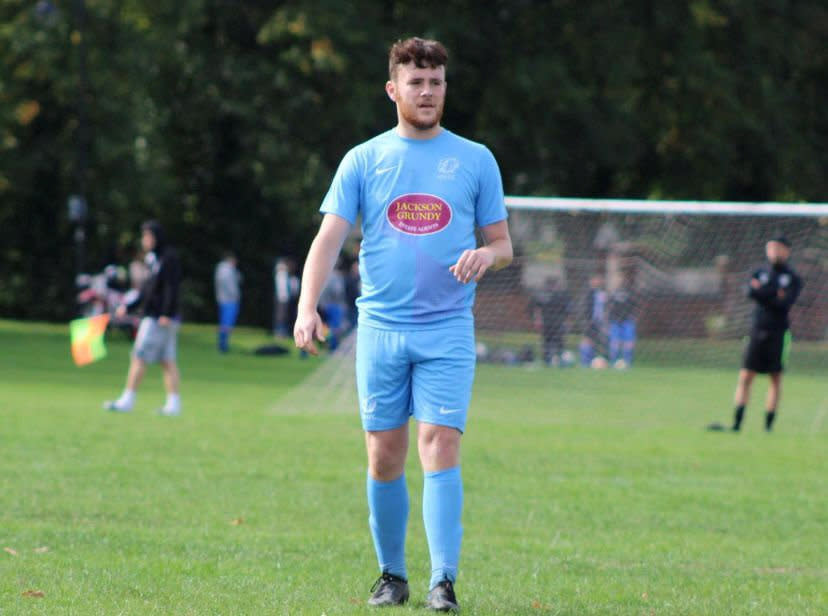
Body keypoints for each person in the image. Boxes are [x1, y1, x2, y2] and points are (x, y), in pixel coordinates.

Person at [293, 37, 513, 611]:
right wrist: (305, 307)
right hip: (381, 332)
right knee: (384, 455)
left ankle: (444, 580)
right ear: (393, 89)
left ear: (445, 88)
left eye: (436, 82)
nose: (427, 92)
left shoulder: (475, 159)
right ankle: (392, 575)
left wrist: (487, 257)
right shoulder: (364, 160)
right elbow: (328, 239)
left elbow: (503, 245)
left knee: (439, 444)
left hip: (447, 331)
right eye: (416, 82)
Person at [104, 220, 183, 416]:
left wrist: (166, 313)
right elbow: (148, 289)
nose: (144, 240)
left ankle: (127, 400)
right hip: (157, 316)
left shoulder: (168, 257)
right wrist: (129, 306)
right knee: (167, 361)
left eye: (147, 236)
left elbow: (172, 287)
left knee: (139, 357)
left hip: (159, 318)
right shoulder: (153, 259)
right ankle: (174, 404)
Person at [725, 236, 803, 432]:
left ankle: (768, 426)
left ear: (787, 251)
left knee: (775, 378)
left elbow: (784, 303)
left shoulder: (793, 277)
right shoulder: (759, 271)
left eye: (779, 248)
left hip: (779, 332)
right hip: (756, 330)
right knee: (745, 377)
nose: (775, 251)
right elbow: (750, 292)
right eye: (771, 248)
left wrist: (763, 293)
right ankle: (737, 423)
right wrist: (774, 294)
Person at [531, 277, 571, 366]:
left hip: (554, 323)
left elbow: (566, 311)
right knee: (549, 343)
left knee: (556, 343)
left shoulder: (560, 296)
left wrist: (537, 320)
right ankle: (549, 360)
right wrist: (538, 320)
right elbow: (537, 309)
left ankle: (557, 360)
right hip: (550, 323)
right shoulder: (543, 296)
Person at [215, 251, 242, 353]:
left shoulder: (223, 269)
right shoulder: (226, 270)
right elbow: (230, 285)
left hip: (224, 299)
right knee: (226, 323)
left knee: (225, 323)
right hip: (229, 300)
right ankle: (223, 345)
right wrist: (235, 294)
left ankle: (223, 344)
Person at [578, 273, 607, 367]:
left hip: (600, 321)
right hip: (590, 320)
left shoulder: (602, 292)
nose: (597, 282)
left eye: (599, 280)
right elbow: (585, 306)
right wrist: (586, 319)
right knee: (587, 339)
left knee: (596, 341)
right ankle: (584, 361)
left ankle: (593, 359)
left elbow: (604, 306)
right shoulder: (589, 292)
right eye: (595, 280)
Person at [607, 276, 636, 368]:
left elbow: (635, 307)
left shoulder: (631, 294)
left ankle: (627, 361)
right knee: (615, 342)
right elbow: (609, 306)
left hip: (627, 320)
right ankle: (613, 361)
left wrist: (633, 317)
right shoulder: (613, 294)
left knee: (628, 342)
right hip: (615, 320)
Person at [273, 258, 299, 337]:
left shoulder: (285, 275)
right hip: (282, 298)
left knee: (283, 316)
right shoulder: (282, 275)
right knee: (281, 316)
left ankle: (282, 331)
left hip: (284, 298)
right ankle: (279, 332)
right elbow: (283, 288)